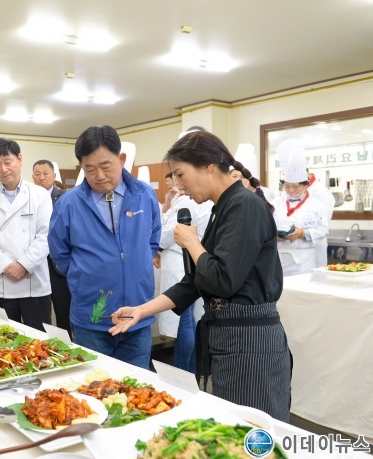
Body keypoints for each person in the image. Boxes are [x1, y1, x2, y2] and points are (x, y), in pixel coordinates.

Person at [109, 130, 292, 422]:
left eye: (181, 175)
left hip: (249, 339)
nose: (178, 185)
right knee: (231, 426)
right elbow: (196, 281)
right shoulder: (223, 207)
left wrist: (192, 243)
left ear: (208, 167)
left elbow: (223, 280)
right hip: (229, 336)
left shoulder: (244, 205)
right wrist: (142, 311)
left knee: (253, 430)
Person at [48, 125, 161, 369]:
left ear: (122, 159)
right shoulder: (69, 204)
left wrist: (136, 265)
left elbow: (153, 239)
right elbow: (59, 253)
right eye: (90, 169)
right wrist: (85, 276)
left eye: (106, 166)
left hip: (137, 312)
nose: (99, 175)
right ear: (81, 167)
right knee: (94, 382)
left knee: (138, 384)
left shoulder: (144, 195)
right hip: (92, 316)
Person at [0, 138, 52, 331]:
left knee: (39, 338)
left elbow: (46, 235)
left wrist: (24, 265)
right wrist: (5, 266)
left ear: (20, 159)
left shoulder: (39, 195)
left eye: (7, 162)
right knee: (2, 338)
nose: (3, 169)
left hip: (33, 281)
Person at [155, 172, 211, 373]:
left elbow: (166, 235)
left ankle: (182, 370)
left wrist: (156, 244)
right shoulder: (191, 199)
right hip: (189, 261)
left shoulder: (188, 202)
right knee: (189, 320)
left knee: (184, 321)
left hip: (181, 263)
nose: (176, 181)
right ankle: (190, 370)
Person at [277, 139, 333, 268]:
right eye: (287, 186)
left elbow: (322, 227)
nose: (291, 190)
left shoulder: (319, 195)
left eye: (295, 186)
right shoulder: (278, 201)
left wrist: (302, 233)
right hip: (282, 256)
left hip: (309, 254)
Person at [32, 159, 72, 334]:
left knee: (64, 312)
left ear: (54, 176)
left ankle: (67, 344)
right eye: (37, 174)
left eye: (45, 173)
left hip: (59, 265)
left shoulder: (66, 197)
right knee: (40, 314)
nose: (41, 177)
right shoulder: (28, 198)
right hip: (35, 263)